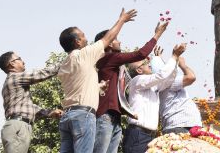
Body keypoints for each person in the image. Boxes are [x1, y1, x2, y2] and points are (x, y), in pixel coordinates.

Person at [57, 8, 137, 153]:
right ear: (77, 41)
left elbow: (79, 86)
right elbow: (107, 39)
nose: (86, 37)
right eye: (83, 35)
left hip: (67, 116)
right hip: (83, 115)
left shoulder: (64, 65)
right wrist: (122, 20)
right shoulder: (84, 54)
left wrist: (98, 87)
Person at [93, 21, 169, 153]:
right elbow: (140, 54)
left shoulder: (117, 66)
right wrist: (157, 34)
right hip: (105, 114)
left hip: (114, 117)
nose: (120, 42)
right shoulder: (109, 57)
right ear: (109, 43)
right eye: (116, 39)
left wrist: (157, 59)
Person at [123, 43, 186, 153]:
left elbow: (168, 80)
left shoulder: (152, 85)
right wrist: (174, 56)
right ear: (139, 70)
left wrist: (175, 61)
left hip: (148, 135)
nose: (150, 65)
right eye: (146, 63)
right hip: (137, 134)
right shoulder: (137, 81)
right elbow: (161, 76)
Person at [0, 52, 63, 153]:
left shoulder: (13, 84)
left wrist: (49, 112)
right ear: (12, 64)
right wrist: (66, 61)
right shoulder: (15, 77)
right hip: (18, 126)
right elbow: (41, 73)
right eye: (19, 59)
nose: (23, 61)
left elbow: (29, 108)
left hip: (19, 126)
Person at [151, 47, 202, 134]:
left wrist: (158, 59)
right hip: (181, 126)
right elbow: (191, 77)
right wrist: (182, 65)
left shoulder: (160, 83)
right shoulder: (168, 82)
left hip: (181, 125)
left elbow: (162, 70)